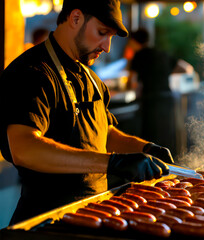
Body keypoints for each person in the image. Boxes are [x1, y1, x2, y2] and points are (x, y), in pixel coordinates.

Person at [0, 0, 174, 225]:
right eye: (102, 33)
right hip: (48, 221)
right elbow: (23, 149)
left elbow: (104, 132)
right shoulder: (32, 73)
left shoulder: (91, 78)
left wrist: (145, 149)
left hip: (95, 214)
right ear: (75, 18)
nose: (107, 47)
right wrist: (112, 163)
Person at [127, 28, 193, 155]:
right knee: (166, 136)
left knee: (150, 139)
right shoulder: (161, 53)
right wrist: (165, 73)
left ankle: (153, 168)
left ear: (134, 41)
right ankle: (171, 166)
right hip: (167, 100)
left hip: (151, 101)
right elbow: (187, 68)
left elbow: (132, 82)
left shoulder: (138, 56)